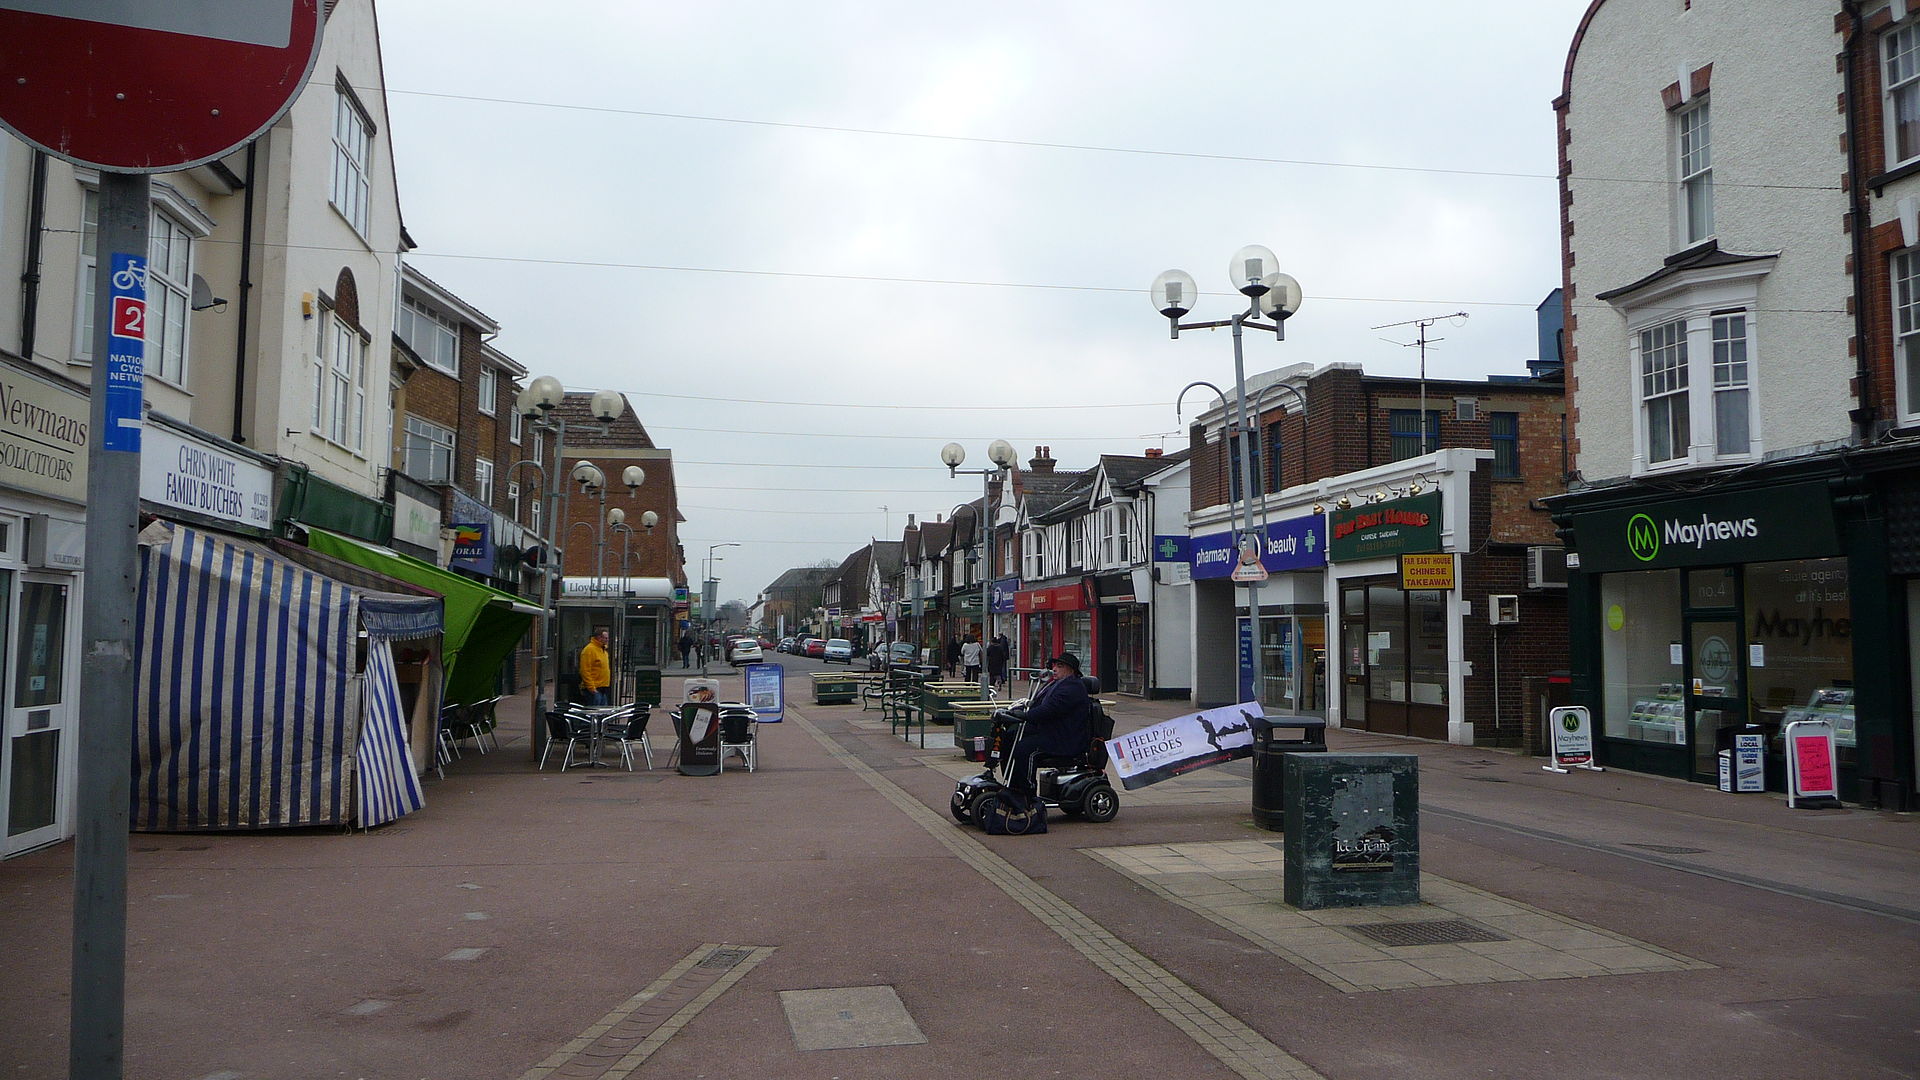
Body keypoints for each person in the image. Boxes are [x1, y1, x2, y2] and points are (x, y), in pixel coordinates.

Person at [1006, 653, 1092, 793]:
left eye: (1060, 666)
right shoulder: (1057, 684)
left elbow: (1049, 710)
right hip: (1053, 733)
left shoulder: (1072, 687)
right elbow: (1038, 704)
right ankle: (1012, 784)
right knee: (1010, 736)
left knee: (1025, 749)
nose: (1055, 669)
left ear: (1071, 670)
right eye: (1054, 665)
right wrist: (1017, 711)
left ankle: (1025, 792)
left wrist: (1026, 716)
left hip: (1064, 740)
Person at [579, 626, 612, 706]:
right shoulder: (589, 650)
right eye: (605, 638)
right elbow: (585, 671)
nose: (607, 640)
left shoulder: (603, 650)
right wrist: (592, 689)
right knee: (594, 713)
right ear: (599, 638)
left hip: (602, 689)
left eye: (607, 638)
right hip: (594, 690)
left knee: (602, 713)